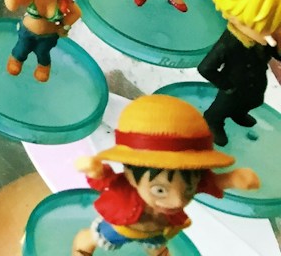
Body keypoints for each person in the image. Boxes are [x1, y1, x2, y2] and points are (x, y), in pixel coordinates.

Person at [72, 95, 259, 256]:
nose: (177, 202)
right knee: (99, 237)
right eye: (160, 190)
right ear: (130, 173)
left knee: (157, 245)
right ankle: (83, 245)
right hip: (122, 226)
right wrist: (95, 170)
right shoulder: (125, 186)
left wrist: (231, 179)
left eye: (188, 190)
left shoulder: (186, 188)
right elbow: (105, 181)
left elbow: (207, 182)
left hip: (159, 229)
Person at [198, 0, 281, 145]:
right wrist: (227, 86)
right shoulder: (229, 43)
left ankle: (239, 113)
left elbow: (272, 52)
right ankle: (213, 122)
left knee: (255, 101)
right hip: (234, 86)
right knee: (222, 108)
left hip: (255, 83)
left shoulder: (264, 39)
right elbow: (205, 68)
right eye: (270, 24)